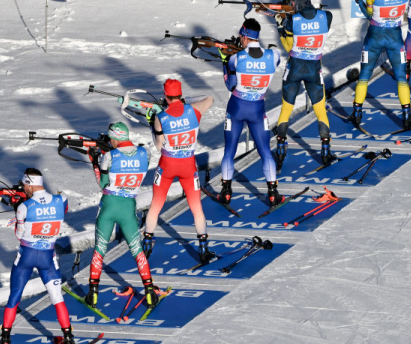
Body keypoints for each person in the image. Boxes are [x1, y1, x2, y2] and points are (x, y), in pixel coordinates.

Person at [84, 123, 159, 309]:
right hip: (128, 205)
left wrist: (95, 162)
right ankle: (149, 290)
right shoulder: (145, 153)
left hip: (109, 205)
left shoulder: (109, 156)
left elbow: (103, 184)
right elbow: (130, 157)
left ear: (114, 138)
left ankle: (93, 293)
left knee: (100, 249)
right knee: (137, 250)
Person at [143, 80, 214, 262]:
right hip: (188, 165)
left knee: (156, 205)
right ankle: (203, 247)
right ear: (180, 94)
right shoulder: (194, 110)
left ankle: (147, 243)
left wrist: (153, 126)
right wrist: (186, 101)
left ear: (165, 96)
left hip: (167, 164)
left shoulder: (161, 117)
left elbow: (159, 146)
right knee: (196, 207)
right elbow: (209, 98)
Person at [0, 169, 72, 344]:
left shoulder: (24, 207)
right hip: (48, 256)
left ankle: (5, 338)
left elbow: (19, 235)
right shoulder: (61, 200)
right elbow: (63, 207)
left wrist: (18, 211)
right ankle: (69, 337)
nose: (24, 189)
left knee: (15, 296)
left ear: (29, 184)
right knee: (57, 297)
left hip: (27, 255)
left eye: (25, 186)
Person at [350, 0, 411, 130]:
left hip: (375, 36)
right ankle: (407, 116)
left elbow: (368, 15)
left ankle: (357, 113)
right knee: (401, 77)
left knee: (364, 75)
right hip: (395, 36)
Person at [220, 18, 282, 205]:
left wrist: (224, 61)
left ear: (244, 36)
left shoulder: (237, 58)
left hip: (237, 107)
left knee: (229, 151)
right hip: (257, 109)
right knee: (265, 151)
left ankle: (226, 192)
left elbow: (230, 84)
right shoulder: (273, 56)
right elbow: (272, 57)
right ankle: (273, 192)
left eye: (241, 36)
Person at [274, 0, 333, 167]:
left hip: (295, 67)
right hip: (314, 68)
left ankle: (281, 148)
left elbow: (288, 47)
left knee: (286, 108)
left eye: (292, 1)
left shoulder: (293, 21)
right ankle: (325, 149)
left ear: (296, 1)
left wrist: (280, 27)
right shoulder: (326, 16)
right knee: (320, 108)